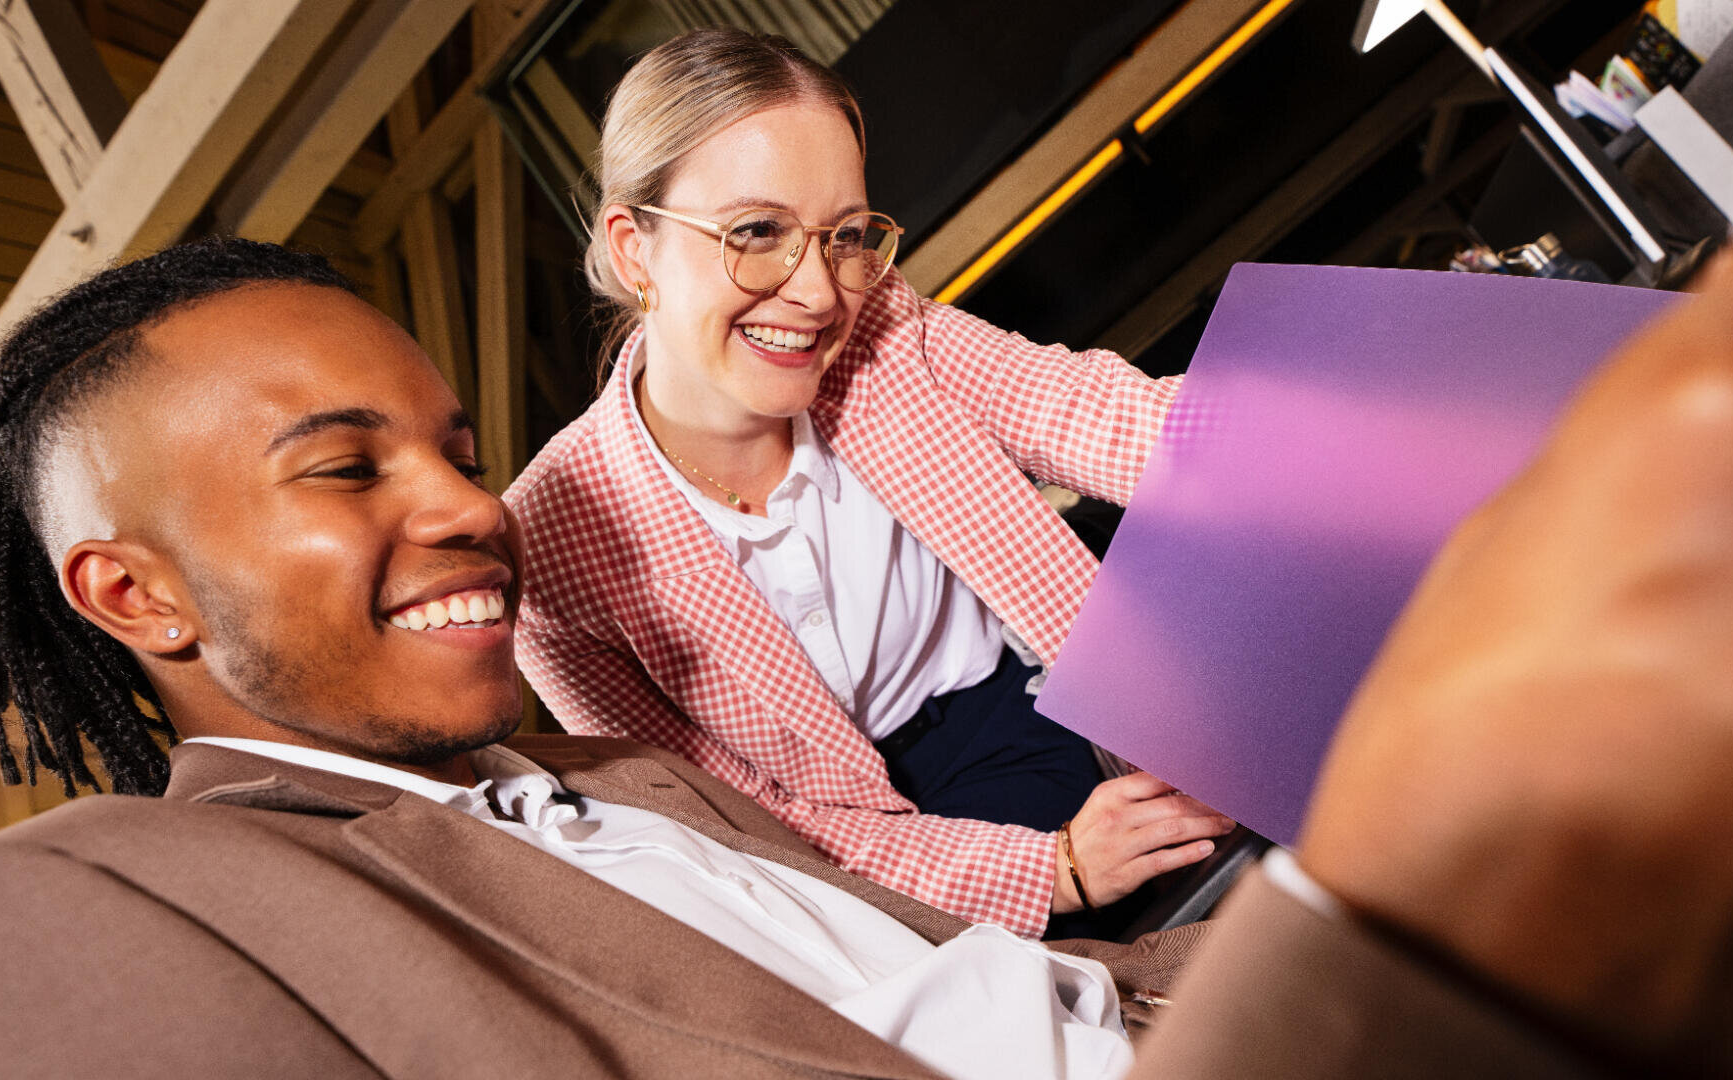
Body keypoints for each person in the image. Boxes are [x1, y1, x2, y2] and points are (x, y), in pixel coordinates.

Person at [0, 233, 1733, 1078]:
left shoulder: (612, 778)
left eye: (453, 446)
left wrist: (1412, 463)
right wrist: (1394, 912)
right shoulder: (22, 923)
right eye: (347, 469)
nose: (467, 505)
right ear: (135, 598)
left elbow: (1122, 430)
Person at [506, 28, 1231, 939]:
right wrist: (1056, 872)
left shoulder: (883, 323)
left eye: (845, 236)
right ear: (633, 250)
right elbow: (738, 828)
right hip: (857, 859)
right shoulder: (548, 550)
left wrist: (1357, 431)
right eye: (757, 232)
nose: (819, 293)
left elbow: (1105, 417)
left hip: (1040, 704)